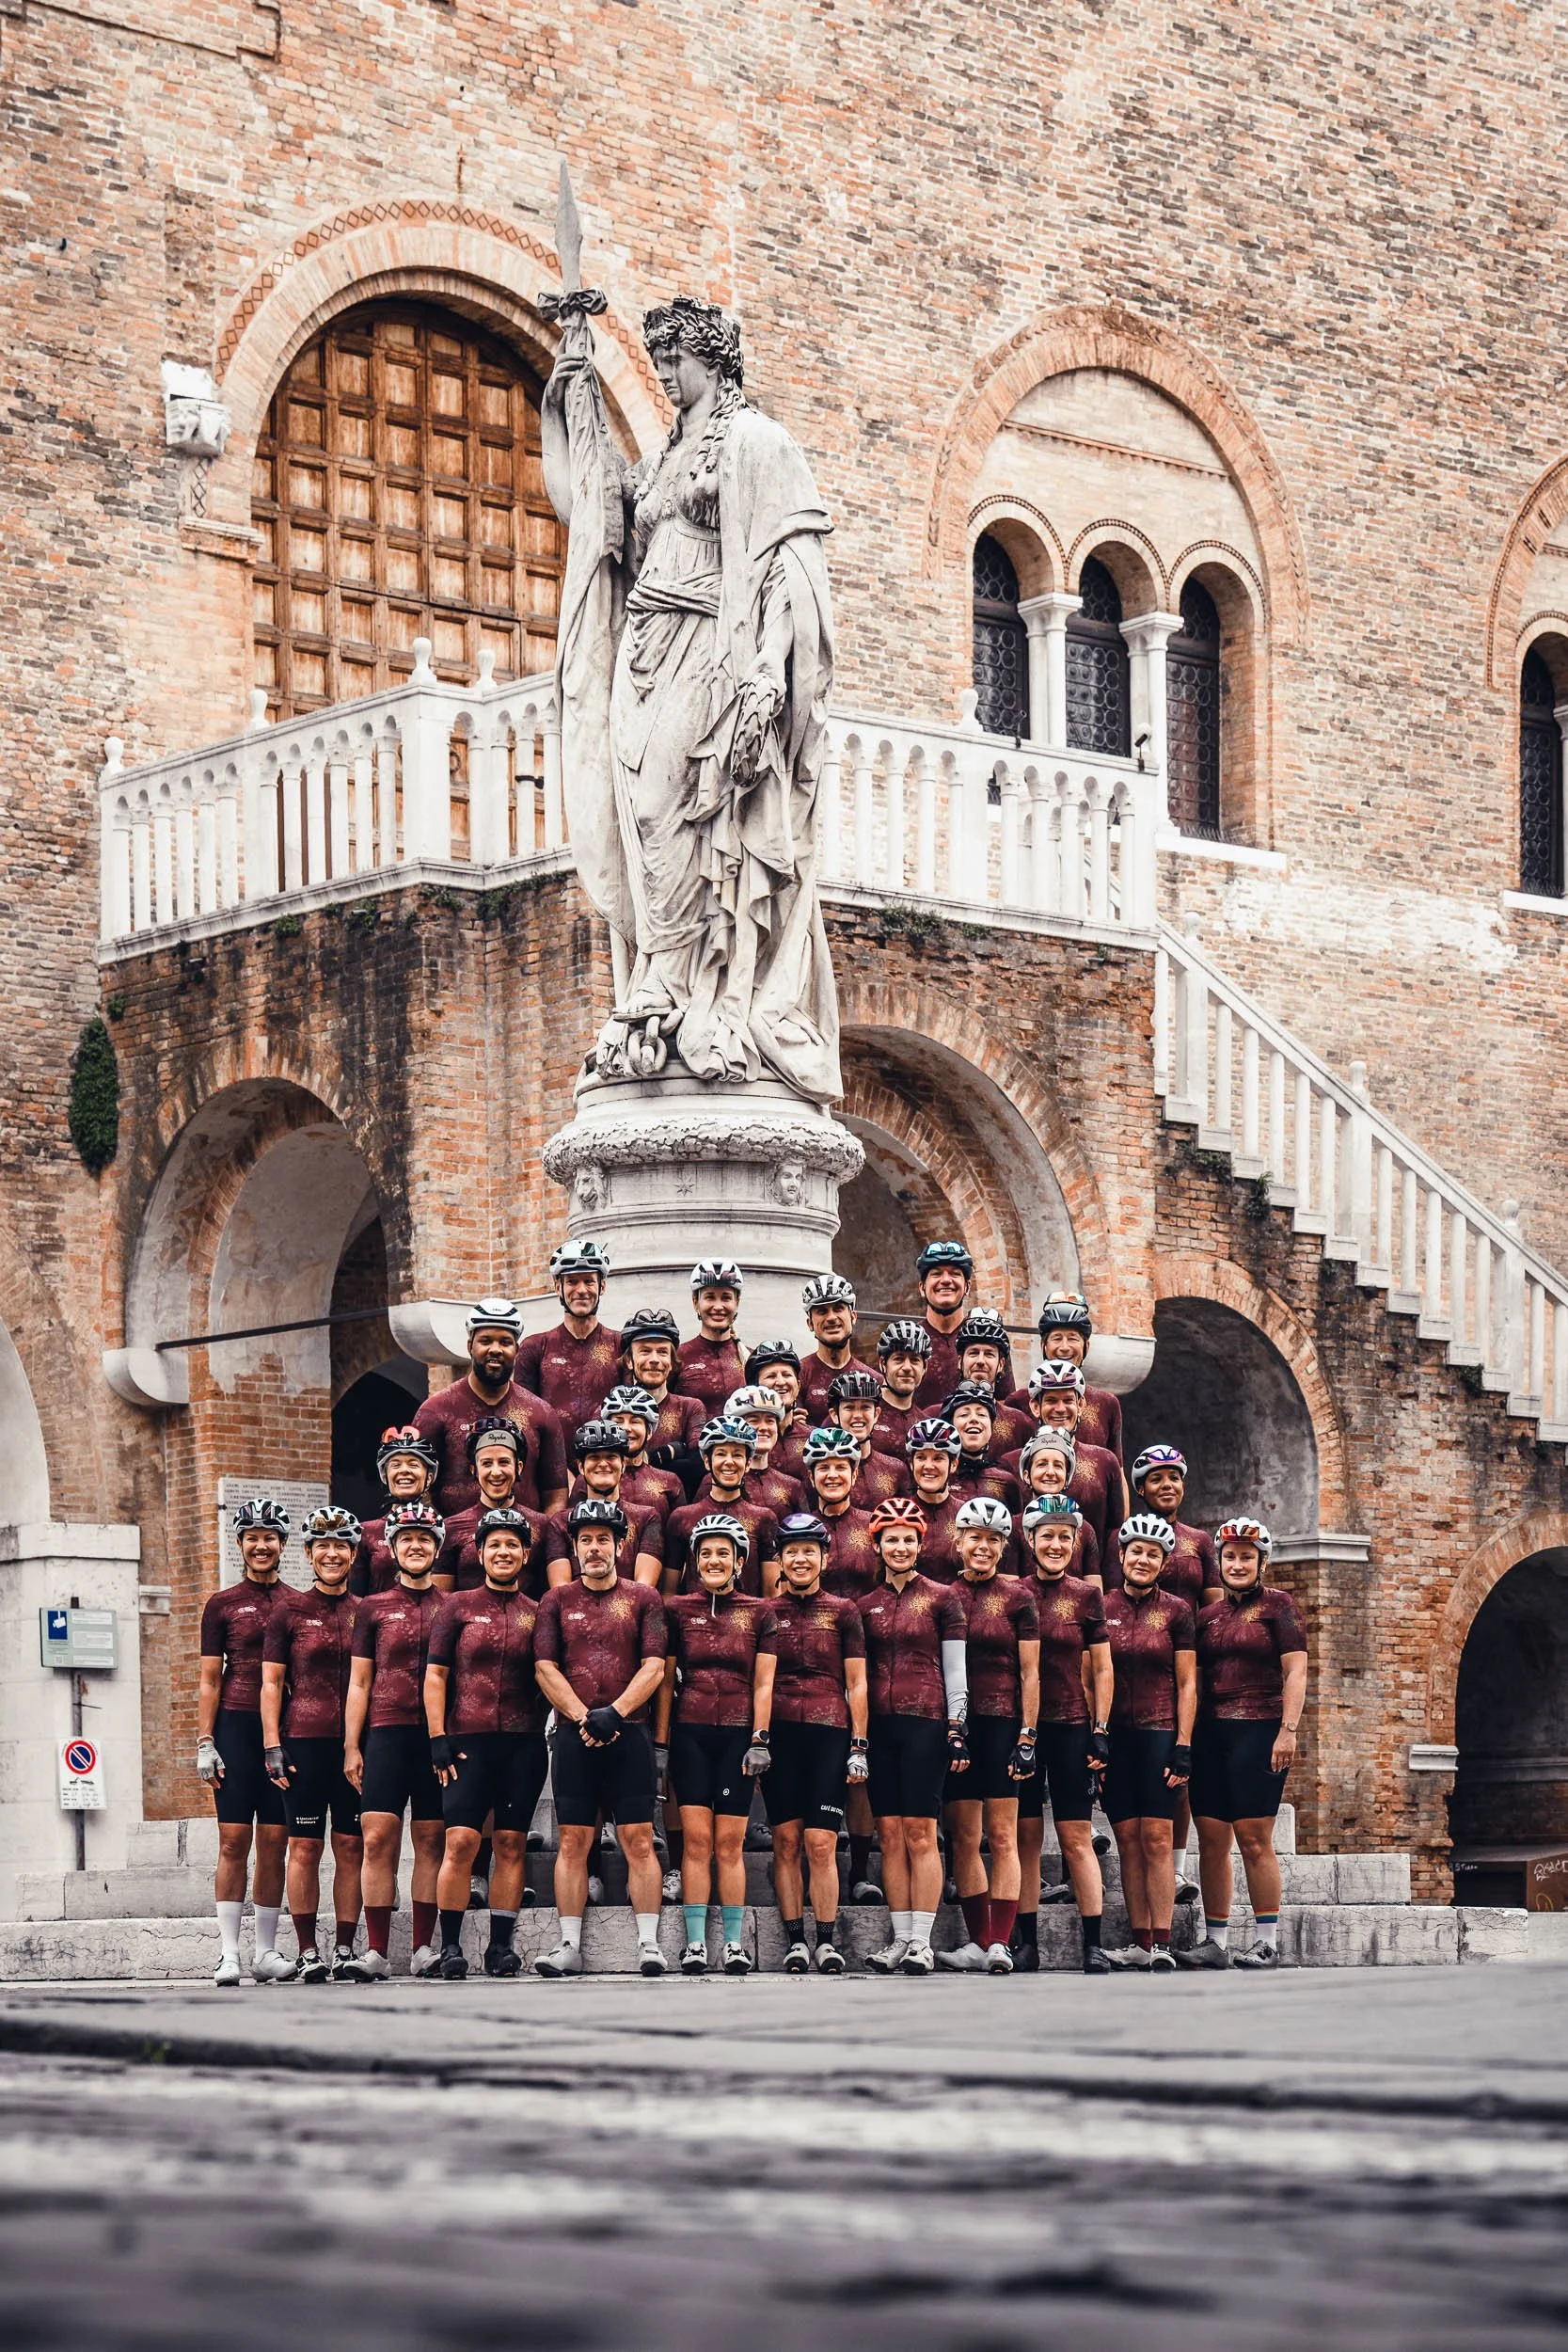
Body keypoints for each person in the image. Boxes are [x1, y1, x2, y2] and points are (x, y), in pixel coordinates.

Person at [532, 1499, 670, 1979]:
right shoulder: (555, 1601)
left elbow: (655, 1666)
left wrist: (615, 1712)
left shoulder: (644, 1599)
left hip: (630, 1734)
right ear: (574, 1547)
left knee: (638, 1840)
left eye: (603, 1540)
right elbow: (544, 1667)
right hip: (574, 1737)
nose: (594, 1548)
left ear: (619, 1545)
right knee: (573, 1841)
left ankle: (650, 1944)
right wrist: (583, 1717)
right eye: (586, 1540)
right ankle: (569, 1945)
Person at [1179, 1518, 1308, 1973]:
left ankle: (1266, 1943)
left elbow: (1296, 1671)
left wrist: (1288, 1730)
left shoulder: (1280, 1606)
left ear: (1261, 1562)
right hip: (1211, 1735)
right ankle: (1216, 1942)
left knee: (1254, 1839)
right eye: (1230, 1556)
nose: (1237, 1564)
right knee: (1212, 1840)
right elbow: (1193, 1681)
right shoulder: (1207, 1617)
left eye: (1246, 1557)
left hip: (1260, 1729)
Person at [424, 1505, 547, 1982]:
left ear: (525, 1554)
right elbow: (436, 1676)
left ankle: (500, 1947)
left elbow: (550, 1675)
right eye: (494, 1544)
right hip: (466, 1741)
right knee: (461, 1841)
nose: (503, 1552)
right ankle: (451, 1947)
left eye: (512, 1544)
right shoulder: (455, 1607)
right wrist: (437, 1736)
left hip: (522, 1743)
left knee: (512, 1844)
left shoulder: (538, 1612)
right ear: (480, 1553)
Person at [655, 1514, 778, 1975]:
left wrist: (760, 1739)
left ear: (739, 1561)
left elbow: (763, 1683)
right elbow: (665, 1681)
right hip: (690, 1734)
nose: (713, 1560)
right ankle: (694, 1944)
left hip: (738, 1737)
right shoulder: (677, 1610)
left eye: (723, 1552)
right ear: (693, 1560)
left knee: (729, 1844)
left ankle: (733, 1944)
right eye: (705, 1553)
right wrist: (661, 1743)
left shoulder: (760, 1612)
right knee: (696, 1842)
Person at [859, 1497, 969, 1975]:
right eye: (892, 1540)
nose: (900, 1547)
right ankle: (901, 1937)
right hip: (880, 1726)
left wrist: (957, 1726)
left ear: (921, 1545)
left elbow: (955, 1669)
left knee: (922, 1833)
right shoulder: (865, 1606)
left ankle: (922, 1940)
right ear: (877, 1546)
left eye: (908, 1539)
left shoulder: (943, 1598)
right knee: (888, 1834)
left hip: (927, 1721)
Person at [341, 1501, 448, 1981]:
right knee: (378, 1838)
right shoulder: (372, 1608)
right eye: (407, 1539)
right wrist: (352, 1745)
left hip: (436, 1737)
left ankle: (423, 1947)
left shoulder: (452, 1606)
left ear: (437, 1548)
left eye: (424, 1539)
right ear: (392, 1548)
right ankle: (377, 1952)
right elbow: (360, 1681)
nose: (415, 1546)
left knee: (430, 1839)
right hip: (385, 1732)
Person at [260, 1505, 364, 1983]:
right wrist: (271, 1744)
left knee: (350, 1847)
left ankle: (344, 1948)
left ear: (354, 1554)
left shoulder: (365, 1611)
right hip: (302, 1742)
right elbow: (271, 1683)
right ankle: (307, 1951)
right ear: (307, 1553)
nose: (332, 1554)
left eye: (341, 1546)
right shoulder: (288, 1611)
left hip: (355, 1746)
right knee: (303, 1847)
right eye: (322, 1546)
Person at [1112, 1443, 1218, 1906]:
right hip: (1134, 1660)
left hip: (1185, 1658)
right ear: (1140, 1489)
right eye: (1156, 1478)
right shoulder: (1124, 1538)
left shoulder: (1200, 1542)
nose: (1167, 1485)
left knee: (1180, 1776)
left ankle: (1175, 1868)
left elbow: (1214, 1607)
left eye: (1174, 1477)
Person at [938, 1497, 1039, 1975]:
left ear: (1004, 1546)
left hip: (1002, 1721)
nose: (983, 1546)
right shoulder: (943, 1595)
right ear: (957, 1541)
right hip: (957, 1725)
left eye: (993, 1540)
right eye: (975, 1537)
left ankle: (1000, 1942)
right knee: (963, 1837)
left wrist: (1027, 1735)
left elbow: (1030, 1672)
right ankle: (980, 1941)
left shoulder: (1018, 1598)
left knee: (1002, 1836)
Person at [765, 1513, 870, 1972]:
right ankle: (795, 1941)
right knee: (786, 1842)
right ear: (780, 1560)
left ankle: (826, 1942)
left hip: (830, 1732)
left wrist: (859, 1744)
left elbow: (857, 1682)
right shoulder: (767, 1612)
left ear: (825, 1558)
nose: (801, 1559)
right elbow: (760, 1682)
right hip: (781, 1734)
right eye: (792, 1552)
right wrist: (758, 1739)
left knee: (822, 1843)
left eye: (809, 1551)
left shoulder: (844, 1611)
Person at [1015, 1494, 1114, 1974]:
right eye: (1047, 1536)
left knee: (1076, 1837)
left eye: (1064, 1537)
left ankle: (1093, 1944)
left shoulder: (1086, 1596)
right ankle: (1027, 1943)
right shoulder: (1014, 1592)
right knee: (1026, 1840)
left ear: (1075, 1542)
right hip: (1023, 1728)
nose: (1055, 1545)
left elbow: (1102, 1668)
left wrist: (1101, 1728)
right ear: (1029, 1539)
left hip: (1072, 1724)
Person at [198, 1497, 294, 1987]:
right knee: (234, 1841)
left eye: (269, 1537)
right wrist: (205, 1740)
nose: (261, 1545)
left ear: (283, 1543)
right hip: (234, 1728)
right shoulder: (222, 1604)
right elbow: (210, 1679)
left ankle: (265, 1951)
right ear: (239, 1543)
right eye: (252, 1537)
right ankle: (229, 1953)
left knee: (274, 1844)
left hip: (283, 1733)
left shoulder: (297, 1603)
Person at [1100, 1515, 1197, 1974]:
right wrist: (1096, 1734)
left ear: (1164, 1561)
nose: (1143, 1559)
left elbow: (1187, 1682)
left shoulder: (1177, 1611)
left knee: (1157, 1838)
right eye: (1136, 1551)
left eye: (1153, 1554)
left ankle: (1162, 1941)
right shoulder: (1101, 1606)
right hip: (1116, 1734)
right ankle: (1140, 1942)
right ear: (1122, 1555)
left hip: (1160, 1731)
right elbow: (1089, 1676)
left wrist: (1184, 1743)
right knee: (1127, 1840)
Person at [415, 1298, 570, 1518]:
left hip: (526, 1538)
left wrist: (542, 1534)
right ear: (470, 1346)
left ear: (516, 1349)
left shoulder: (541, 1414)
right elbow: (420, 1489)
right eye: (485, 1341)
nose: (495, 1349)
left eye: (505, 1342)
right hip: (455, 1536)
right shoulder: (435, 1411)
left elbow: (556, 1494)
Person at [1004, 1362, 1126, 1561]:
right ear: (1035, 1407)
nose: (1060, 1409)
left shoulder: (1105, 1462)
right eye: (1051, 1401)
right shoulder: (1010, 1464)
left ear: (1081, 1405)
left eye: (1068, 1400)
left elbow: (1115, 1533)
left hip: (1090, 1574)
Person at [664, 1417, 781, 1597]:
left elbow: (771, 1595)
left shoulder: (764, 1518)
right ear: (707, 1461)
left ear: (748, 1463)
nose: (729, 1461)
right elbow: (668, 1593)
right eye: (721, 1454)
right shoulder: (682, 1518)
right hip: (694, 1614)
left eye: (737, 1455)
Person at [515, 1241, 622, 1433]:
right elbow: (523, 1416)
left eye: (589, 1281)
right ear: (558, 1287)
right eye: (572, 1281)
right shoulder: (535, 1347)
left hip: (608, 1452)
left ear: (602, 1286)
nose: (581, 1290)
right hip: (551, 1452)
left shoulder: (620, 1344)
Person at [545, 1419, 665, 1586]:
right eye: (594, 1457)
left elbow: (644, 1589)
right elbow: (560, 1592)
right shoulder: (560, 1523)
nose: (603, 1464)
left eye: (611, 1457)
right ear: (581, 1467)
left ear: (623, 1465)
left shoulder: (647, 1518)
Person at [1005, 1294, 1123, 1464]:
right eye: (1057, 1338)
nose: (1064, 1347)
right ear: (1043, 1346)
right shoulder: (1018, 1401)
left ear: (1086, 1346)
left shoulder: (1107, 1403)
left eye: (1073, 1338)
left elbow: (1117, 1469)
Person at [438, 1418, 547, 1594]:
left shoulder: (543, 1526)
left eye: (504, 1462)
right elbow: (441, 1601)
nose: (496, 1472)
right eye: (487, 1463)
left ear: (518, 1467)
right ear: (474, 1470)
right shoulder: (451, 1529)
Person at [355, 1426, 439, 1595]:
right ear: (384, 1476)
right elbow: (355, 1598)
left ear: (429, 1477)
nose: (404, 1470)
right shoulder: (366, 1533)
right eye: (395, 1465)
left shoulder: (446, 1530)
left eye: (413, 1464)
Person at [616, 1308, 707, 1458]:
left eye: (662, 1352)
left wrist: (653, 1458)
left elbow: (698, 1461)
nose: (654, 1360)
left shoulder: (689, 1408)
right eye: (645, 1351)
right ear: (629, 1360)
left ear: (671, 1362)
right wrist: (673, 1451)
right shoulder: (612, 1410)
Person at [800, 1425, 878, 1597]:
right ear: (812, 1477)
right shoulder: (799, 1530)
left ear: (854, 1475)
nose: (832, 1475)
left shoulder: (874, 1525)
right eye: (824, 1468)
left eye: (841, 1467)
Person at [1015, 1432, 1101, 1583]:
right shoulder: (1013, 1526)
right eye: (1041, 1464)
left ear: (1067, 1476)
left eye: (1058, 1465)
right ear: (1027, 1475)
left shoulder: (1086, 1529)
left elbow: (1094, 1589)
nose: (1050, 1472)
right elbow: (1006, 1590)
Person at [597, 1384, 688, 1520]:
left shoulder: (670, 1481)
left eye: (635, 1421)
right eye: (618, 1421)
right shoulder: (591, 1477)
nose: (626, 1428)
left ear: (649, 1432)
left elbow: (679, 1530)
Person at [721, 1384, 807, 1518]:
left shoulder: (793, 1486)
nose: (764, 1427)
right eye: (754, 1421)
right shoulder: (717, 1480)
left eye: (770, 1421)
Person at [825, 1368, 909, 1505]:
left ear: (876, 1414)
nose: (858, 1415)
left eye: (865, 1407)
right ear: (834, 1415)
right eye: (849, 1407)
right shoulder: (823, 1472)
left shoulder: (897, 1469)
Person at [902, 1416, 969, 1581]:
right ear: (911, 1463)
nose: (928, 1466)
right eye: (921, 1457)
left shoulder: (967, 1515)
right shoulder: (899, 1513)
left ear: (953, 1465)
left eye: (938, 1458)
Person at [675, 1260, 747, 1413]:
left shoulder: (751, 1359)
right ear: (695, 1302)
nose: (718, 1306)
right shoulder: (677, 1357)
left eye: (726, 1298)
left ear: (737, 1302)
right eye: (710, 1297)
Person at [912, 1239, 975, 1406]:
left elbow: (1004, 1405)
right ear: (922, 1288)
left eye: (955, 1273)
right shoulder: (906, 1341)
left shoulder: (987, 1339)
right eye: (936, 1274)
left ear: (967, 1287)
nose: (946, 1280)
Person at [953, 1311, 1028, 1451]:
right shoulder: (938, 1415)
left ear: (1001, 1364)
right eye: (973, 1353)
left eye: (989, 1354)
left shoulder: (1019, 1423)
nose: (981, 1361)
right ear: (960, 1361)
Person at [943, 1384, 1024, 1510]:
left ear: (991, 1427)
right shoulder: (939, 1476)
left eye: (981, 1415)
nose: (974, 1419)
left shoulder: (1006, 1482)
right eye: (964, 1415)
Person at [744, 1340, 811, 1483]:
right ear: (754, 1387)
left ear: (798, 1386)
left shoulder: (814, 1438)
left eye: (787, 1375)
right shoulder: (741, 1441)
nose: (781, 1382)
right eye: (771, 1376)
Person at [798, 1274, 863, 1419]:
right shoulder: (797, 1375)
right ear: (810, 1324)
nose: (831, 1317)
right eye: (822, 1311)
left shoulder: (874, 1379)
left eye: (838, 1308)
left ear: (853, 1317)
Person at [873, 1318, 931, 1457]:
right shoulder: (862, 1414)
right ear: (883, 1363)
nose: (907, 1367)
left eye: (915, 1360)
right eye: (899, 1359)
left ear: (925, 1367)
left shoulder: (926, 1424)